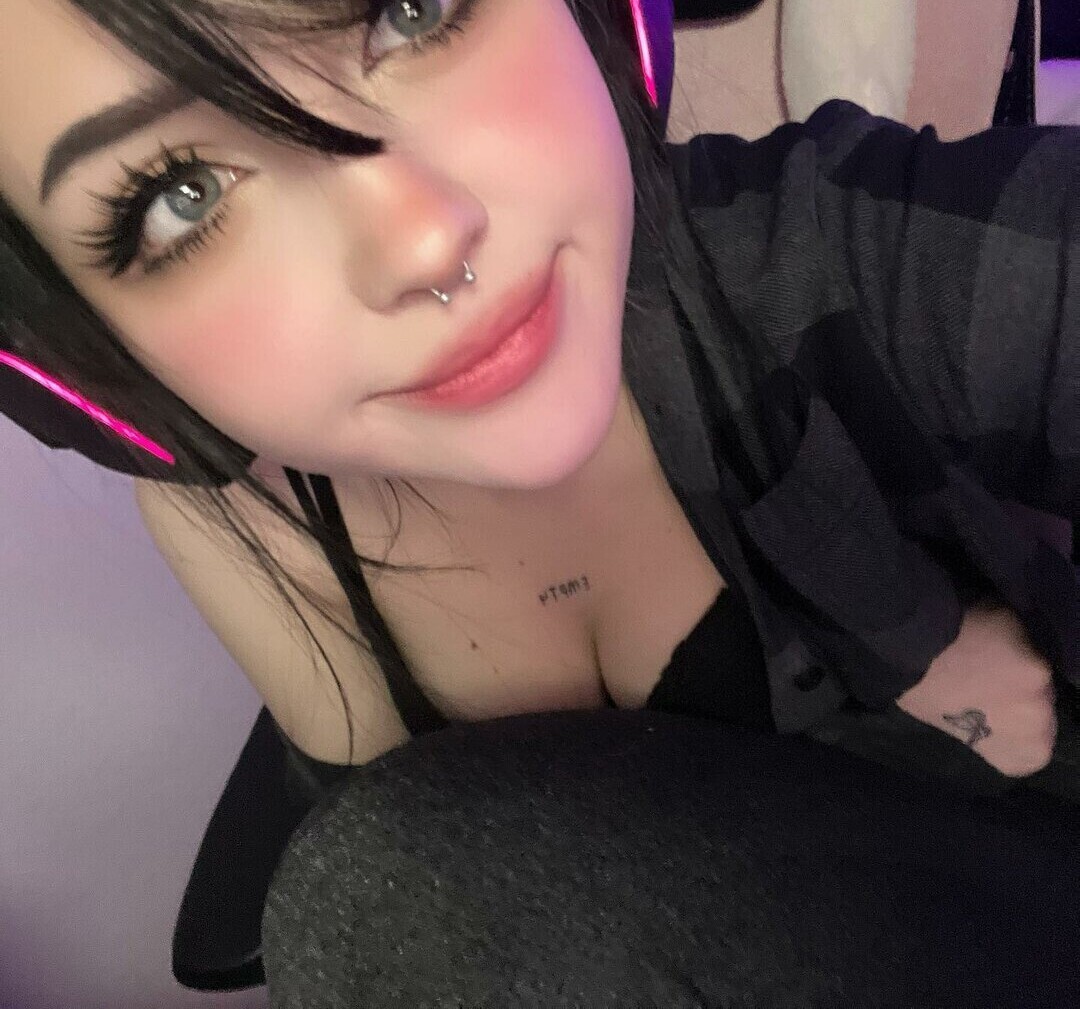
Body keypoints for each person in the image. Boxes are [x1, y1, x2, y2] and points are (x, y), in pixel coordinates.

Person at [0, 1, 1074, 803]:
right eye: (180, 196)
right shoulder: (240, 522)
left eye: (410, 10)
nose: (424, 241)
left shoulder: (821, 254)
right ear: (84, 363)